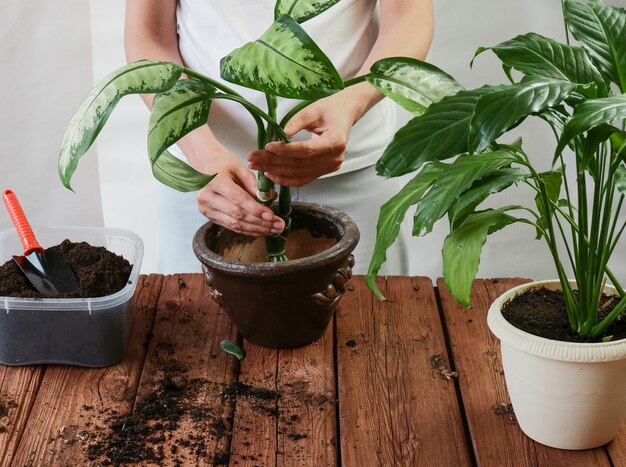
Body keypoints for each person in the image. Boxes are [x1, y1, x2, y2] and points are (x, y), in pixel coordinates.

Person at [124, 0, 434, 274]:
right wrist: (201, 152)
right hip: (209, 178)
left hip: (351, 171)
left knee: (369, 328)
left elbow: (409, 15)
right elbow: (148, 35)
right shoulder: (203, 162)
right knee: (195, 329)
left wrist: (351, 102)